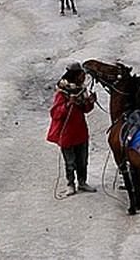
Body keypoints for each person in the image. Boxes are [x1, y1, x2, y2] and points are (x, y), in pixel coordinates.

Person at [46, 62, 97, 195]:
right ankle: (70, 184)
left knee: (82, 160)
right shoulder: (62, 93)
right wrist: (68, 104)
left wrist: (90, 102)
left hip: (80, 131)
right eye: (81, 74)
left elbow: (85, 109)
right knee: (70, 162)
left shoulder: (81, 90)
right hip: (67, 133)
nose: (83, 77)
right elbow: (55, 113)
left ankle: (82, 182)